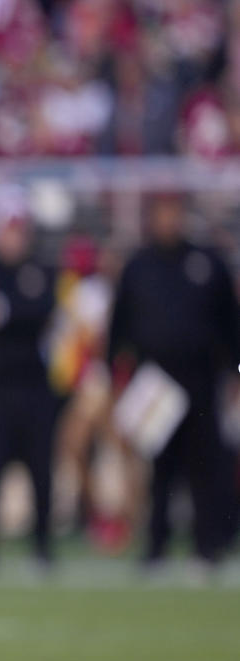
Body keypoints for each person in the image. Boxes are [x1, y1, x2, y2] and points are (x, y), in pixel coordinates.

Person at [107, 191, 240, 571]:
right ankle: (156, 546)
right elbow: (119, 327)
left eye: (175, 212)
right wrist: (115, 376)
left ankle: (207, 546)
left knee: (205, 466)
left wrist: (237, 372)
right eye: (163, 212)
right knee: (159, 467)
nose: (170, 220)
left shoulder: (207, 262)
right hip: (154, 378)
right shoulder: (139, 265)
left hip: (201, 376)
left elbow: (231, 324)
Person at [0, 185, 61, 572]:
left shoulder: (42, 270)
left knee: (42, 470)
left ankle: (42, 548)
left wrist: (5, 313)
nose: (14, 236)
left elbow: (42, 312)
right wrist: (9, 315)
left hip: (35, 385)